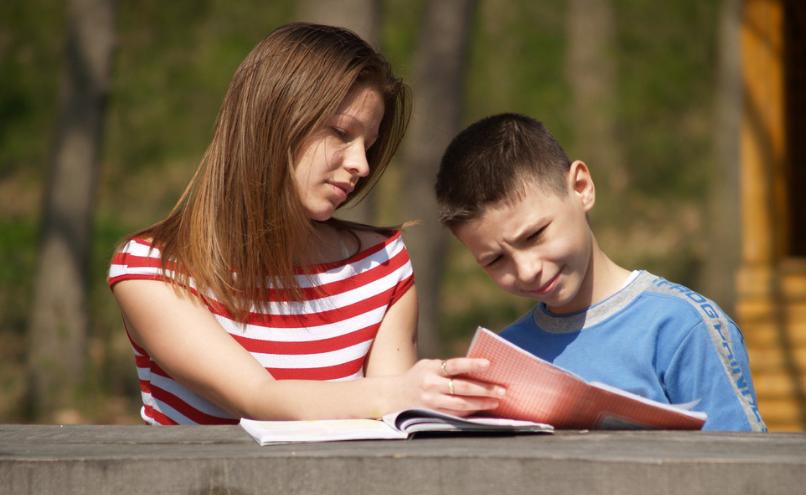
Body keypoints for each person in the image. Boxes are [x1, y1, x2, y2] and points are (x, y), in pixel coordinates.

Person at [108, 23, 505, 425]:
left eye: (367, 146)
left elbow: (394, 426)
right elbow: (257, 398)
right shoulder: (152, 269)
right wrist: (402, 391)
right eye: (341, 133)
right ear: (274, 120)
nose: (361, 166)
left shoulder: (382, 265)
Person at [434, 113, 766, 432]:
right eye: (495, 260)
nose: (527, 269)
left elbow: (744, 471)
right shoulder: (505, 358)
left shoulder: (682, 328)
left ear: (581, 188)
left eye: (535, 235)